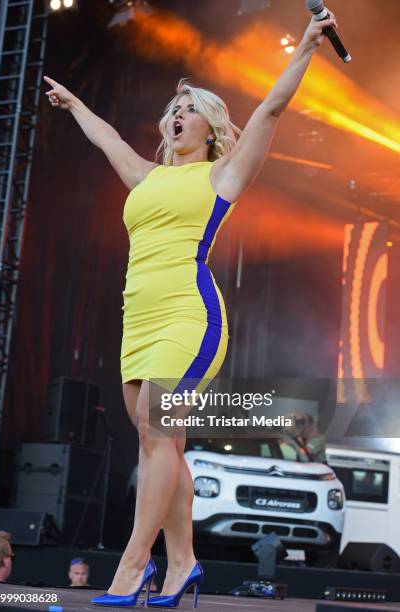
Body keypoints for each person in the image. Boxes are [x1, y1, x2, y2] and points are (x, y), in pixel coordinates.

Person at [44, 11, 338, 609]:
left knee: (157, 430)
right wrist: (76, 106)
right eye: (170, 111)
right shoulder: (146, 177)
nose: (175, 116)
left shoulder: (223, 175)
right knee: (162, 444)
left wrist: (307, 44)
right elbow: (110, 140)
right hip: (139, 322)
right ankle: (183, 566)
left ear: (211, 126)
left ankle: (133, 566)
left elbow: (271, 110)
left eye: (189, 109)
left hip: (190, 318)